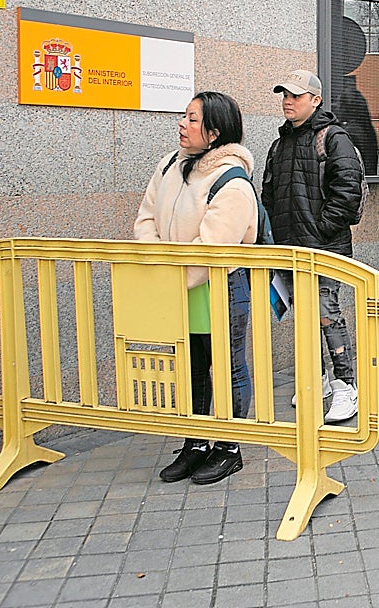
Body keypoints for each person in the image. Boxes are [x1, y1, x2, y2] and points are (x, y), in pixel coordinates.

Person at [135, 91, 258, 485]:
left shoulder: (232, 181)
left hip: (218, 285)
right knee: (192, 368)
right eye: (184, 116)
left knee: (228, 367)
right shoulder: (170, 164)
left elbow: (213, 249)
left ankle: (229, 448)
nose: (182, 124)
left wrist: (171, 274)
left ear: (214, 132)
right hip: (176, 283)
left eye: (192, 118)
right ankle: (196, 442)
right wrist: (161, 268)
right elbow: (146, 218)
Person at [261, 69, 366, 423]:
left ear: (316, 100)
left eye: (296, 95)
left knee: (327, 314)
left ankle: (346, 386)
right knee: (304, 317)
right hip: (290, 248)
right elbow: (269, 194)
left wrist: (319, 231)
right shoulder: (280, 144)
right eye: (285, 95)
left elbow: (347, 194)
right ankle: (317, 379)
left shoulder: (333, 138)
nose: (288, 101)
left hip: (325, 248)